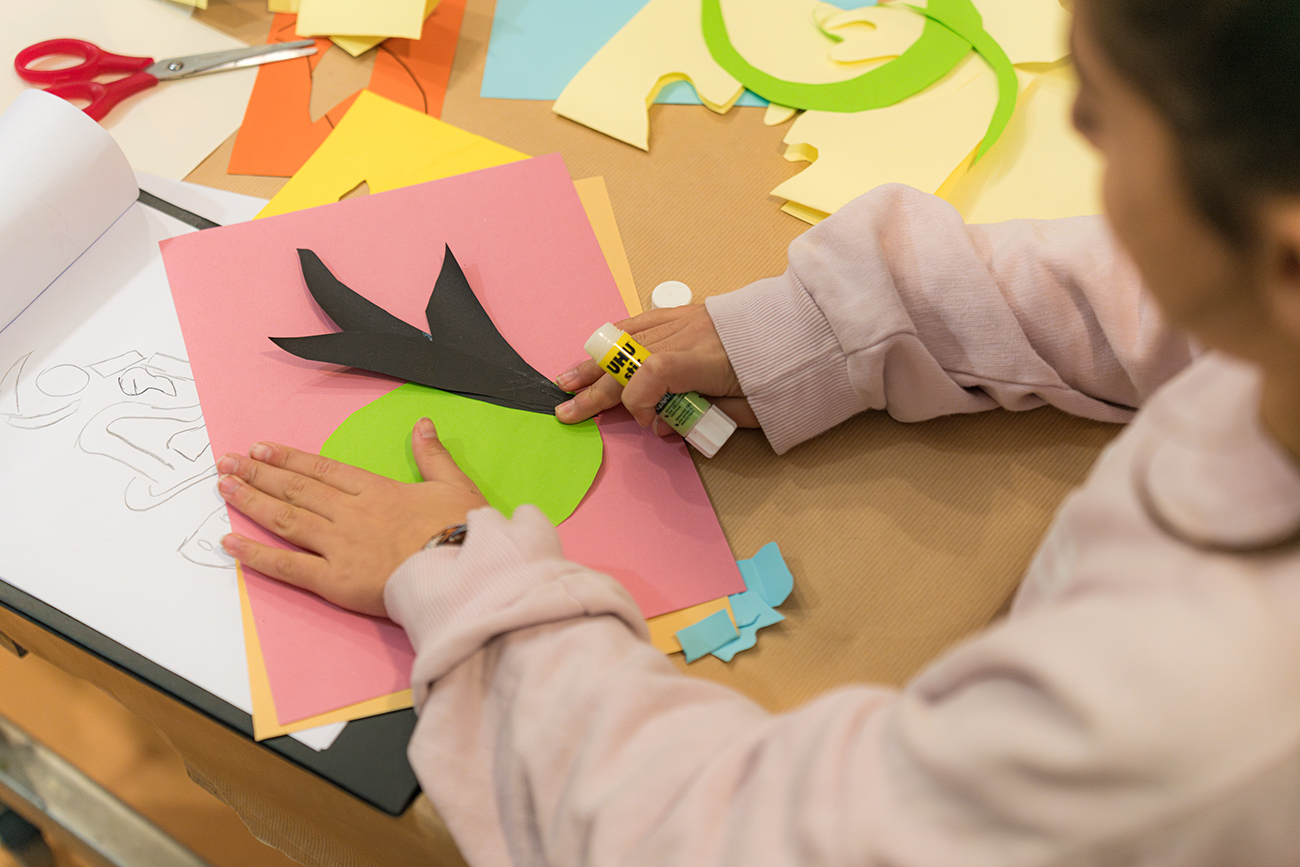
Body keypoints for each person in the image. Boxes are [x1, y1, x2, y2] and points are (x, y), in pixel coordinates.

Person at [215, 0, 1300, 862]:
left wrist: (459, 582)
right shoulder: (1268, 314)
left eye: (1103, 124)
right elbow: (1123, 298)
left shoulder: (1207, 720)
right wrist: (820, 326)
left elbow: (717, 837)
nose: (1086, 154)